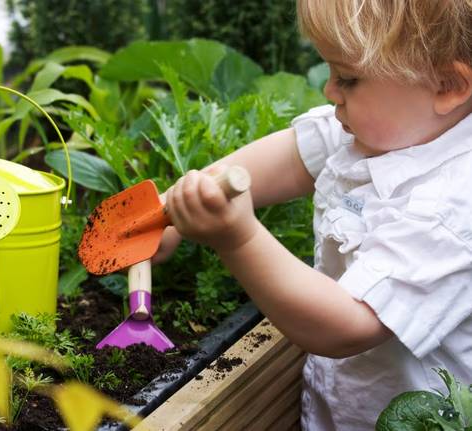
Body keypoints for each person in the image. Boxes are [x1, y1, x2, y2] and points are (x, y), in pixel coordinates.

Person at [153, 0, 472, 429]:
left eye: (348, 78)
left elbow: (347, 325)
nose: (329, 91)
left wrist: (238, 238)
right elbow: (286, 158)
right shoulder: (378, 130)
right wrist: (171, 210)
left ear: (447, 85)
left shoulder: (452, 206)